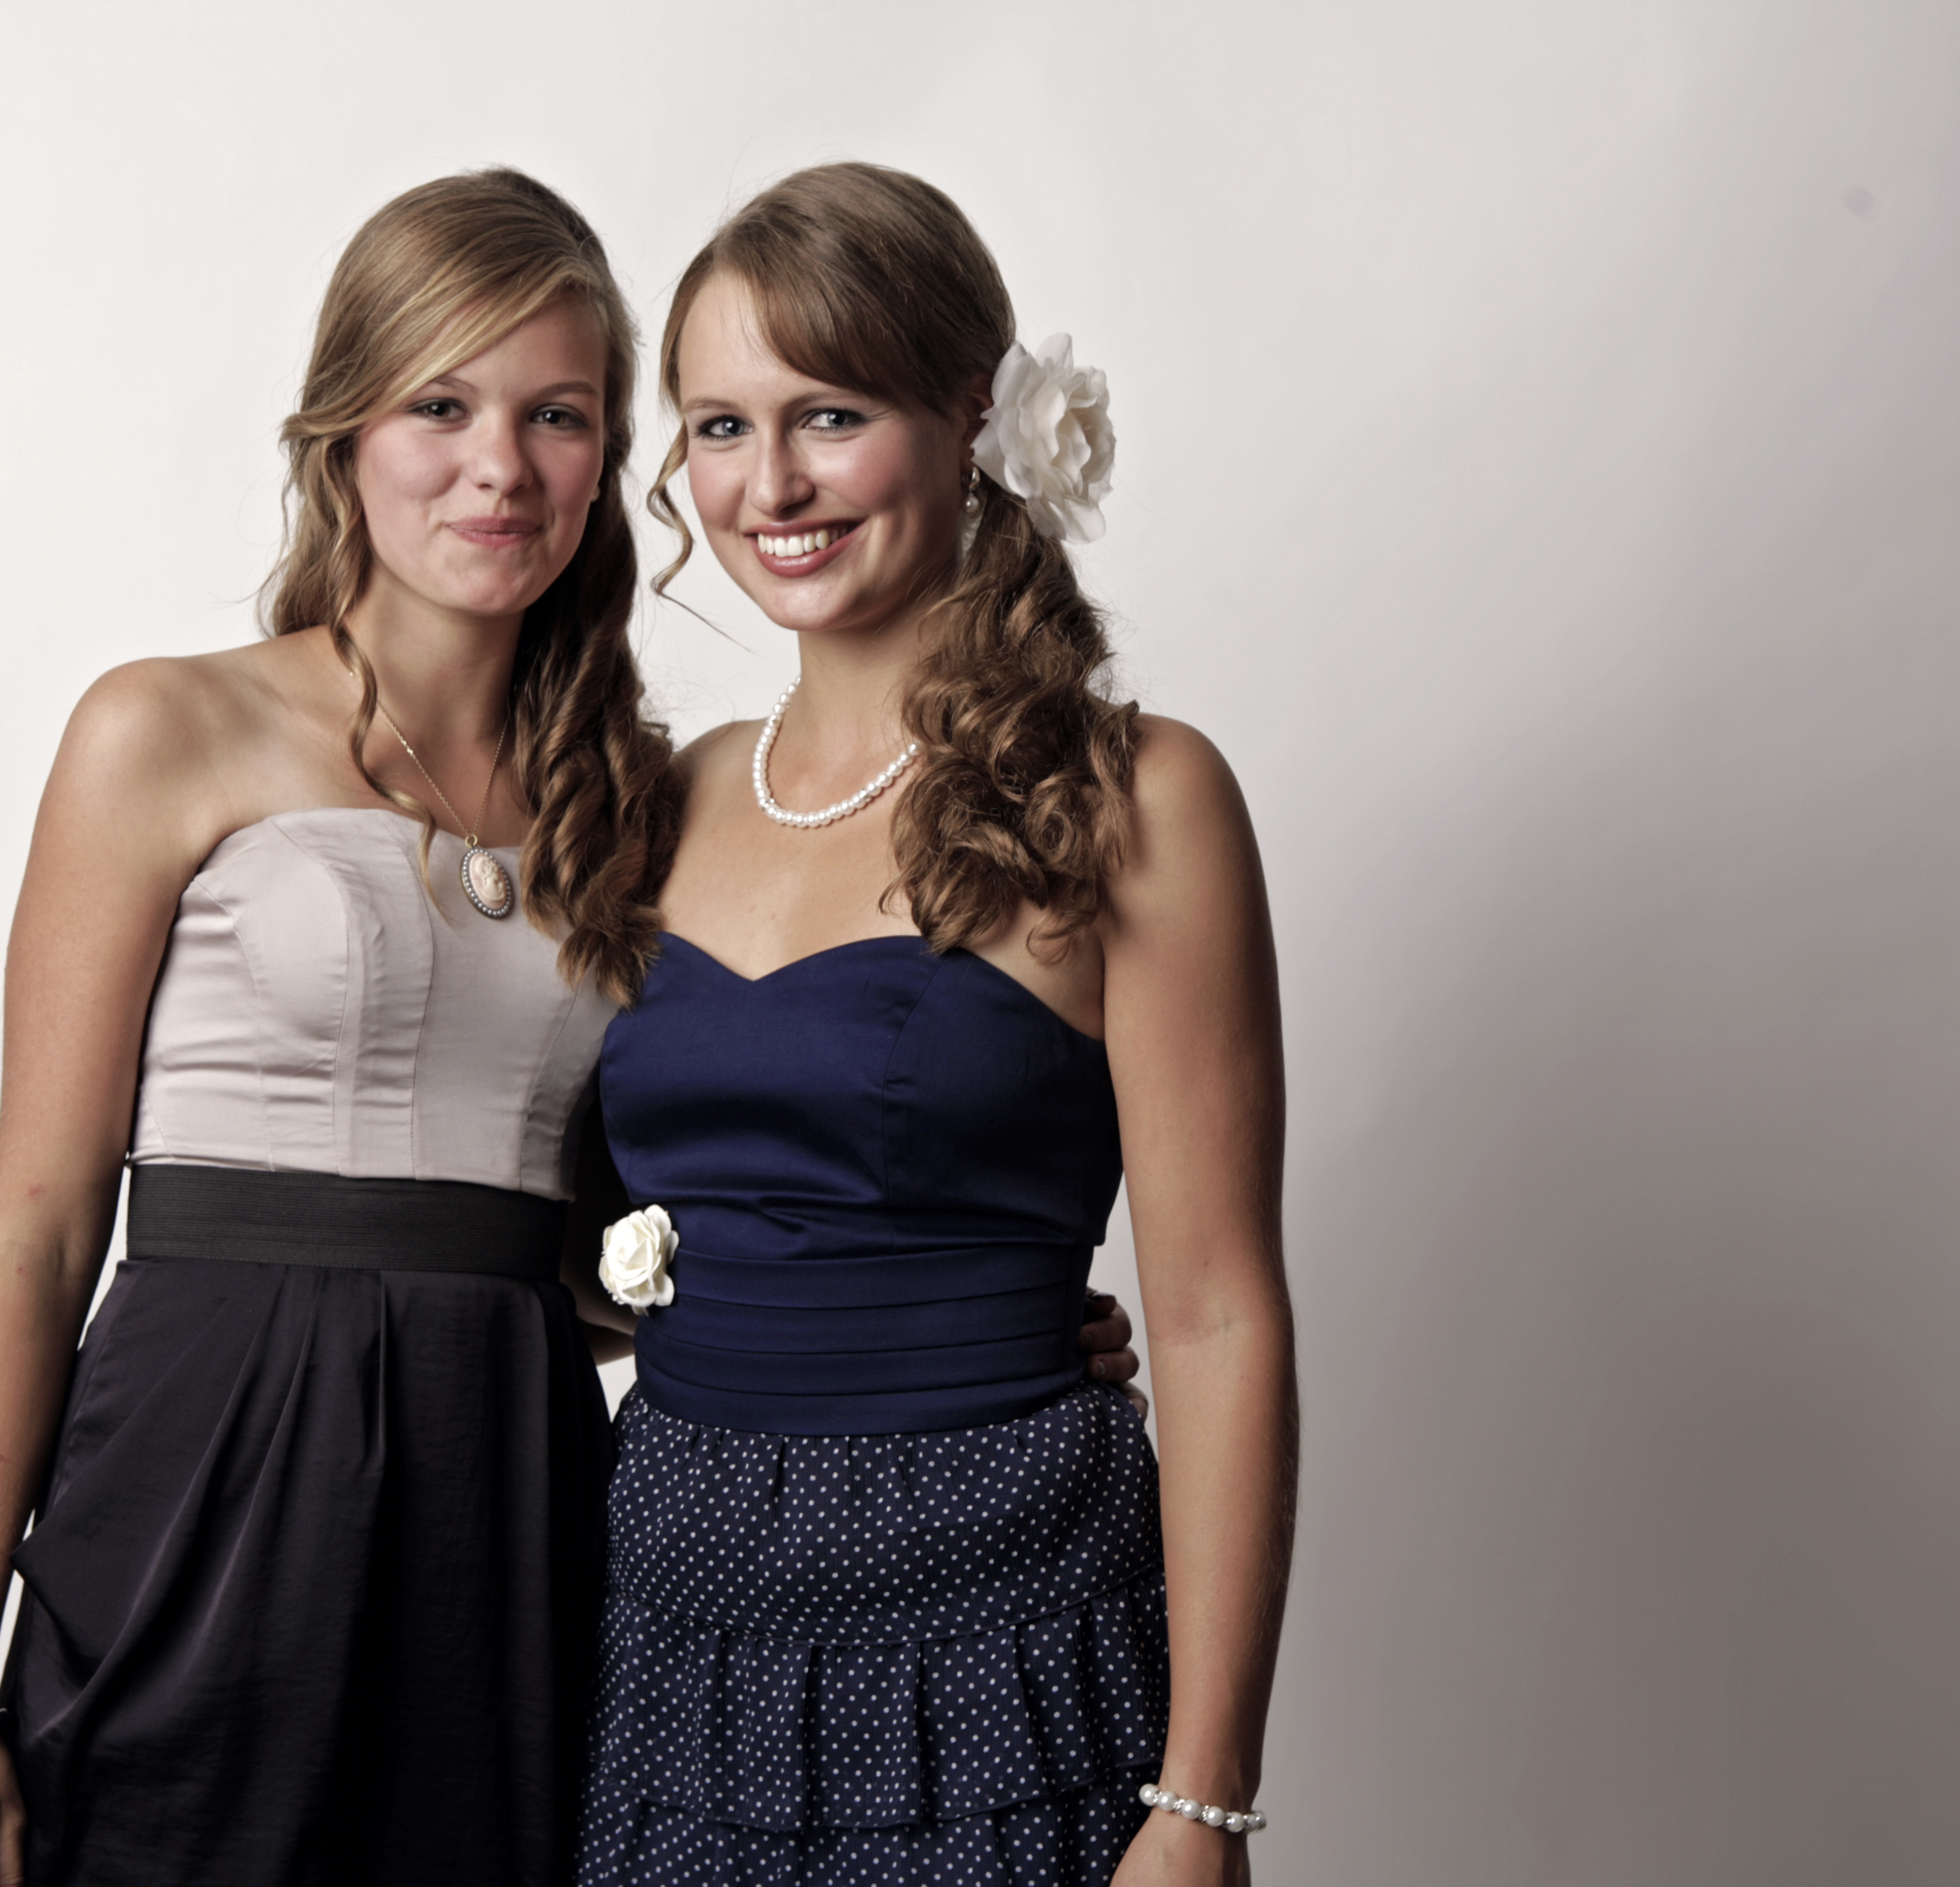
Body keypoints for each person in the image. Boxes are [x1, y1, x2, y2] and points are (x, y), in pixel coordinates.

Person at [0, 167, 1141, 1887]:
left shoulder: (647, 807)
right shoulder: (162, 732)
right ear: (343, 432)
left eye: (558, 415)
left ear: (612, 459)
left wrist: (936, 1317)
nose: (500, 467)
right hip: (201, 1469)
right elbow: (33, 1228)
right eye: (440, 406)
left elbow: (636, 1239)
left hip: (515, 1492)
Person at [574, 164, 1297, 1887]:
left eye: (829, 415)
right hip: (677, 1623)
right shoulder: (662, 800)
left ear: (975, 413)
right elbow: (592, 1239)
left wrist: (1203, 1802)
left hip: (1005, 1621)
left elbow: (1214, 1315)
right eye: (722, 427)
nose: (772, 486)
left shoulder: (1133, 796)